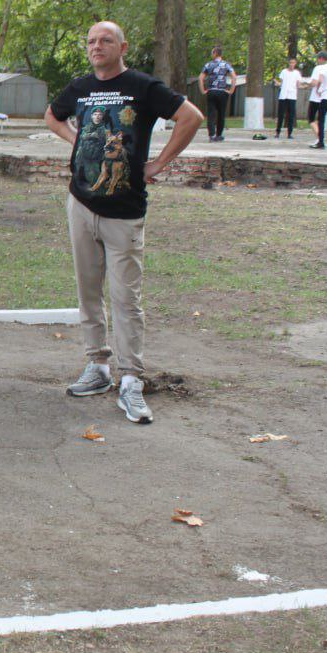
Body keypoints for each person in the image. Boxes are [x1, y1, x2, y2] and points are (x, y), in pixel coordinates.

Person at [45, 21, 203, 426]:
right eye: (92, 41)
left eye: (106, 40)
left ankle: (131, 378)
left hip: (126, 211)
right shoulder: (80, 87)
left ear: (122, 46)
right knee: (88, 292)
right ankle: (97, 367)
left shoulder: (144, 86)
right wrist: (75, 141)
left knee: (126, 299)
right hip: (80, 204)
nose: (97, 46)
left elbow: (191, 117)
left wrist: (159, 163)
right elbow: (53, 115)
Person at [197, 46, 235, 142]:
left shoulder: (208, 65)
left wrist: (203, 90)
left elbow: (200, 78)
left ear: (215, 53)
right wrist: (231, 90)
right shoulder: (226, 65)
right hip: (222, 92)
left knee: (211, 114)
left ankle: (212, 135)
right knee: (221, 114)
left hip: (211, 91)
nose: (211, 55)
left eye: (212, 53)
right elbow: (234, 77)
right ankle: (219, 135)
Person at [274, 57, 300, 139]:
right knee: (281, 114)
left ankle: (290, 133)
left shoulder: (297, 73)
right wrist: (276, 83)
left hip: (292, 96)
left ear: (295, 64)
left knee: (291, 115)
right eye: (290, 62)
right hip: (283, 95)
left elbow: (298, 84)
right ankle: (278, 132)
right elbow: (281, 83)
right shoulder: (284, 72)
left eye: (293, 63)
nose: (292, 64)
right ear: (288, 63)